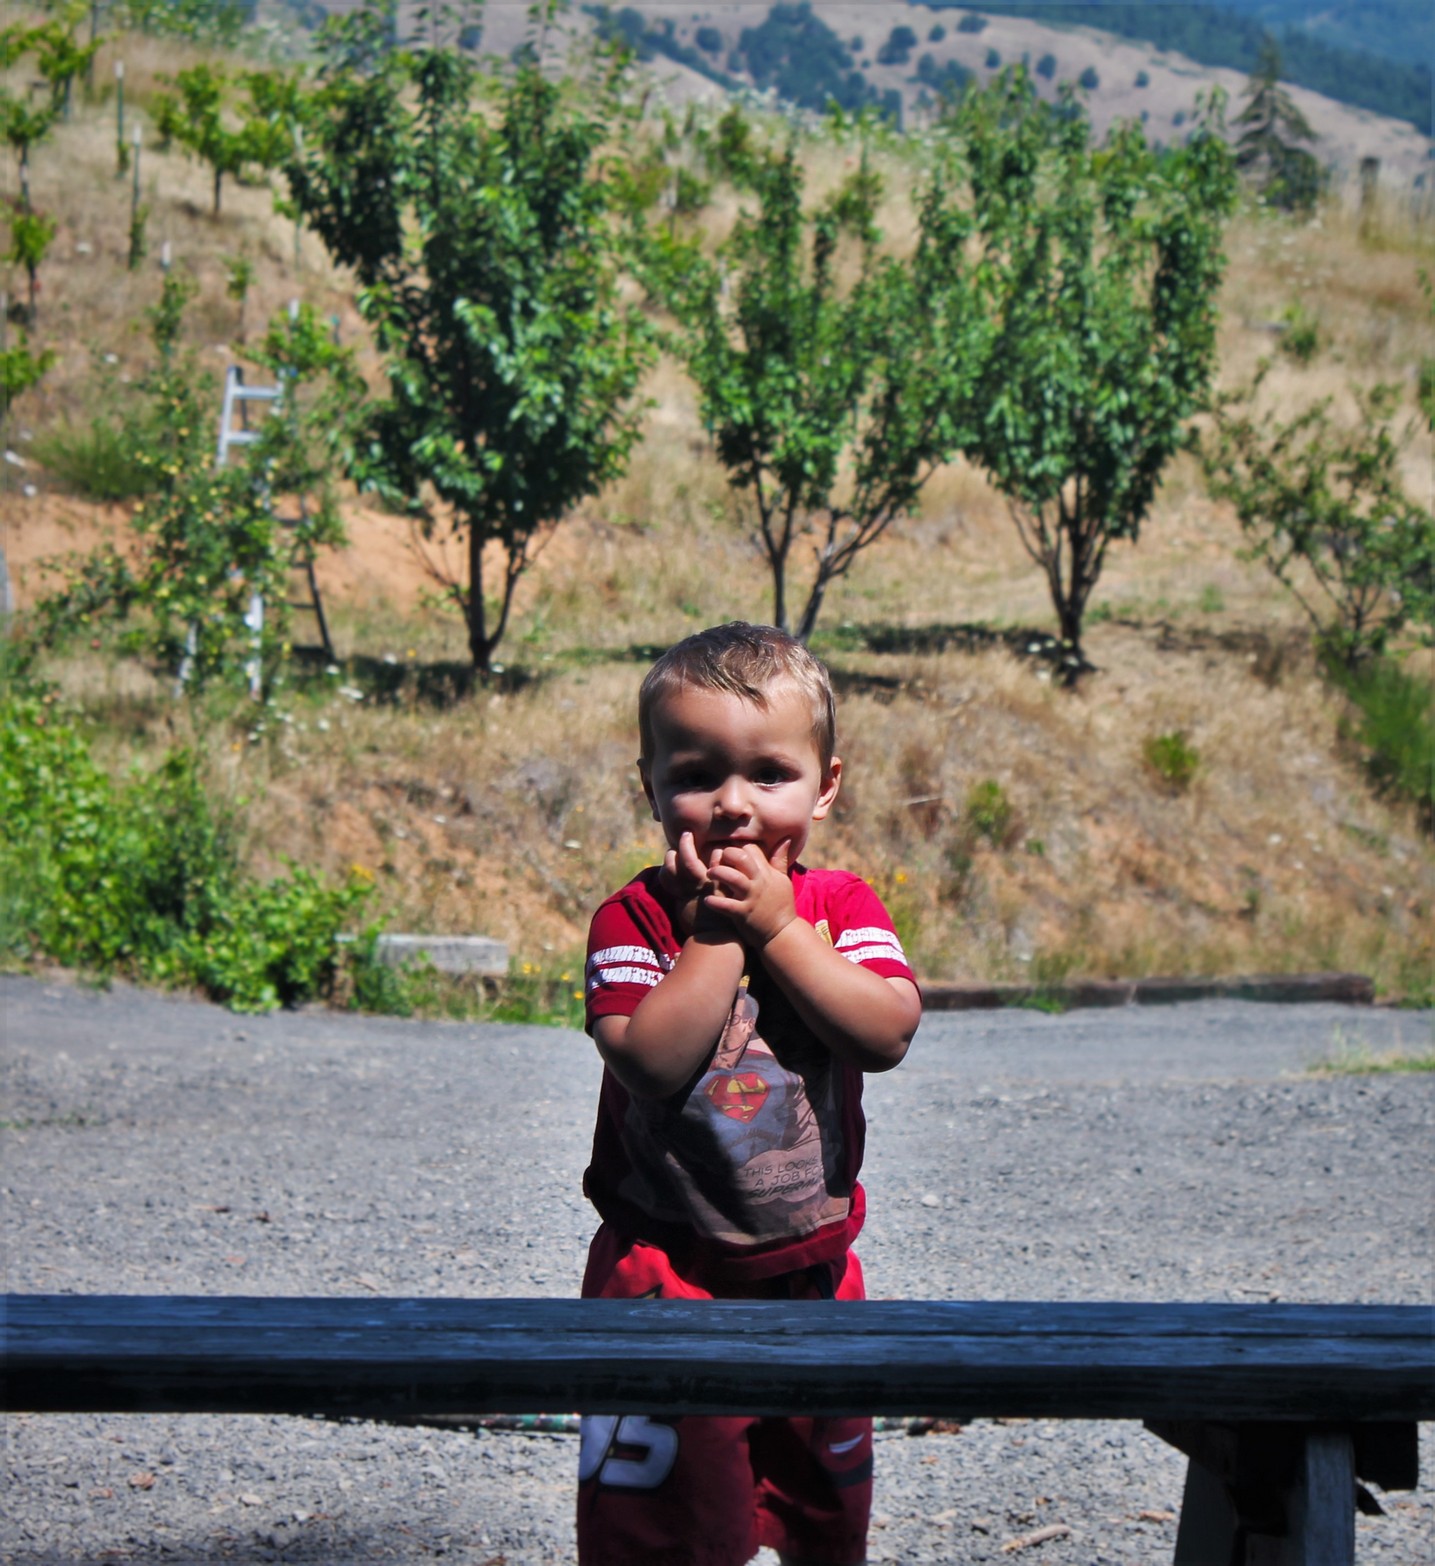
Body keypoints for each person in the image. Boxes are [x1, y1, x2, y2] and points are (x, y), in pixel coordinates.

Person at [579, 621, 922, 1566]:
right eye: (696, 775)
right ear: (650, 786)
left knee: (820, 1520)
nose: (733, 805)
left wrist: (778, 928)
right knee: (661, 1535)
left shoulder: (839, 908)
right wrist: (718, 938)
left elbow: (885, 1033)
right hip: (664, 1275)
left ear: (826, 787)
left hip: (814, 1271)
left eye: (770, 775)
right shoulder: (636, 918)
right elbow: (650, 1063)